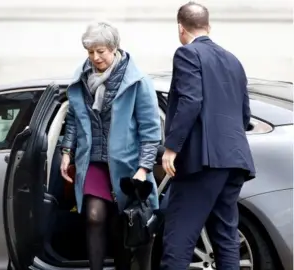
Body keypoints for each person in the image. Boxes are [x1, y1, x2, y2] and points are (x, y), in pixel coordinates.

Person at [160, 2, 256, 270]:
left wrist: (171, 148)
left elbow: (191, 101)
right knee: (226, 239)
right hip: (235, 160)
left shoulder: (187, 54)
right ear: (208, 26)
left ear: (181, 28)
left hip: (202, 163)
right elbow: (244, 115)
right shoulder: (233, 60)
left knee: (178, 241)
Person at [60, 21, 162, 270]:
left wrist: (143, 169)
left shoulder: (138, 82)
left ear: (114, 48)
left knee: (123, 224)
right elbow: (73, 118)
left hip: (128, 166)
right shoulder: (82, 79)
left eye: (100, 51)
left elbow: (150, 131)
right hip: (92, 161)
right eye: (90, 52)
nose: (95, 58)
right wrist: (66, 151)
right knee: (94, 216)